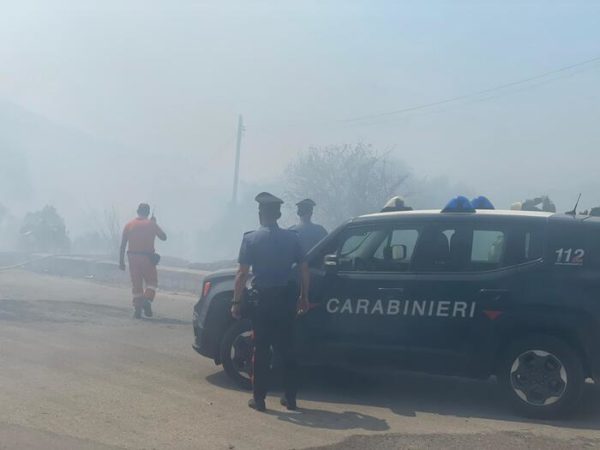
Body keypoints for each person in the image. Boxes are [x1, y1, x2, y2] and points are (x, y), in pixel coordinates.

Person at [231, 192, 310, 412]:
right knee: (287, 350)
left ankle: (259, 400)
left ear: (260, 214)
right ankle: (290, 399)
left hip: (262, 303)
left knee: (262, 350)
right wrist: (304, 297)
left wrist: (236, 302)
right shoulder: (292, 238)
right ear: (278, 214)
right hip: (286, 301)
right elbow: (304, 270)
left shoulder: (250, 239)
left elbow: (241, 275)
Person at [119, 203, 167, 319]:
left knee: (136, 284)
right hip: (147, 258)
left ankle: (137, 309)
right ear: (148, 212)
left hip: (132, 258)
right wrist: (154, 223)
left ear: (137, 211)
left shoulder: (128, 225)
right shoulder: (151, 224)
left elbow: (122, 245)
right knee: (152, 282)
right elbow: (164, 237)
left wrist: (121, 261)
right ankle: (147, 300)